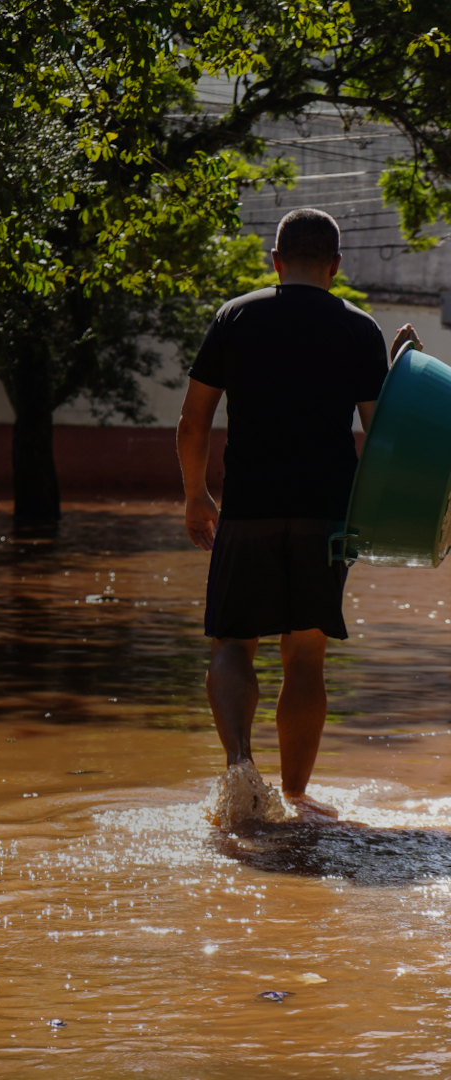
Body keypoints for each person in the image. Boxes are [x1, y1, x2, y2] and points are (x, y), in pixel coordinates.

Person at [176, 207, 421, 816]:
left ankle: (238, 770)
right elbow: (382, 434)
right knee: (306, 653)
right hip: (325, 517)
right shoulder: (359, 328)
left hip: (250, 509)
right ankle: (294, 794)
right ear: (336, 267)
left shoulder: (235, 316)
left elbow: (193, 418)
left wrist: (195, 495)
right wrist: (402, 374)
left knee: (232, 642)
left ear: (275, 260)